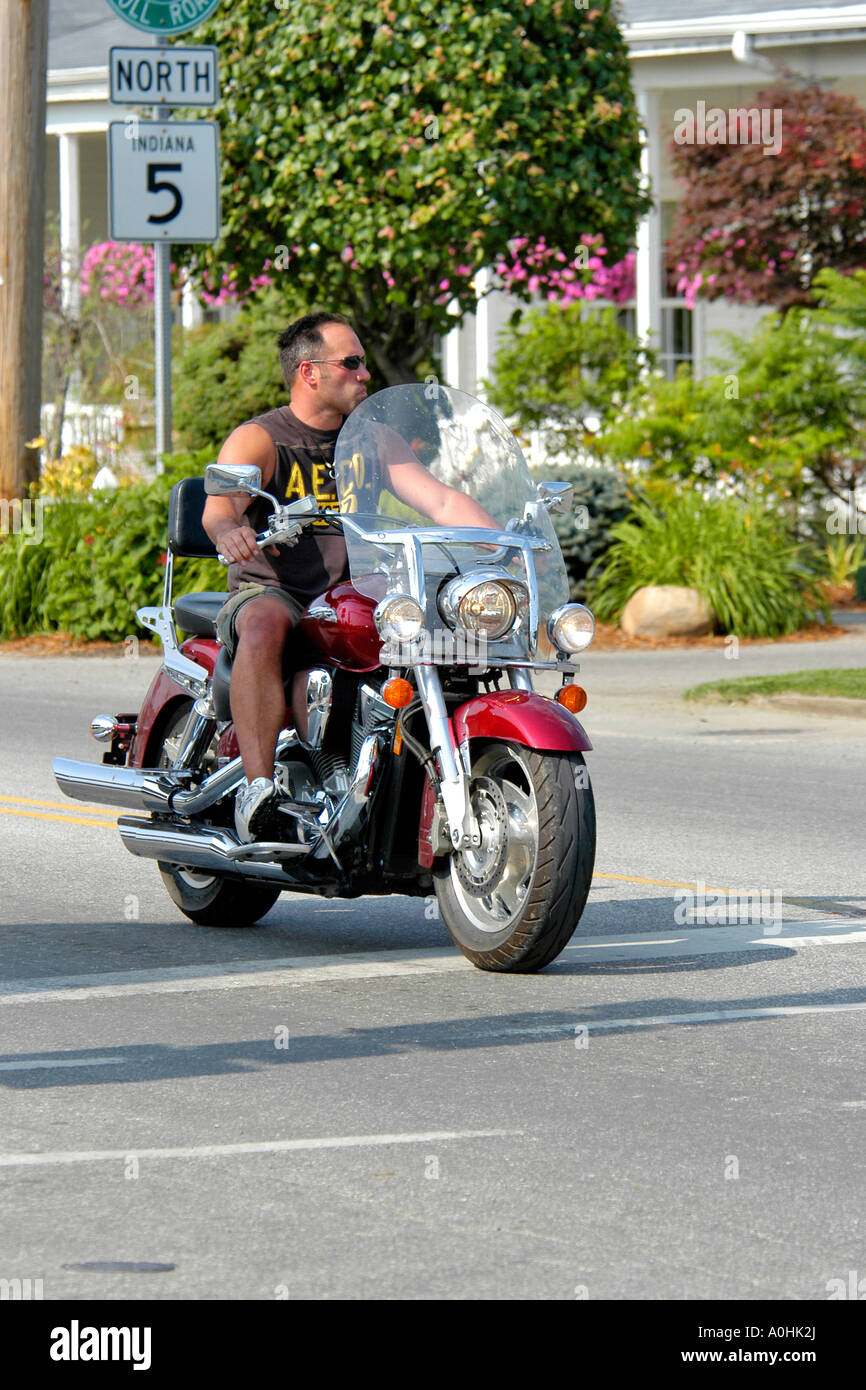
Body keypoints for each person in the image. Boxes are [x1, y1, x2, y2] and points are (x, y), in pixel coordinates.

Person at [202, 311, 497, 841]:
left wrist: (504, 546)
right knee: (266, 623)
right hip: (276, 590)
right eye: (352, 363)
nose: (365, 374)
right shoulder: (262, 440)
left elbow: (441, 498)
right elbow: (219, 508)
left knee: (433, 623)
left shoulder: (375, 440)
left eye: (363, 363)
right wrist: (228, 531)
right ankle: (258, 787)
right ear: (309, 373)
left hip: (355, 590)